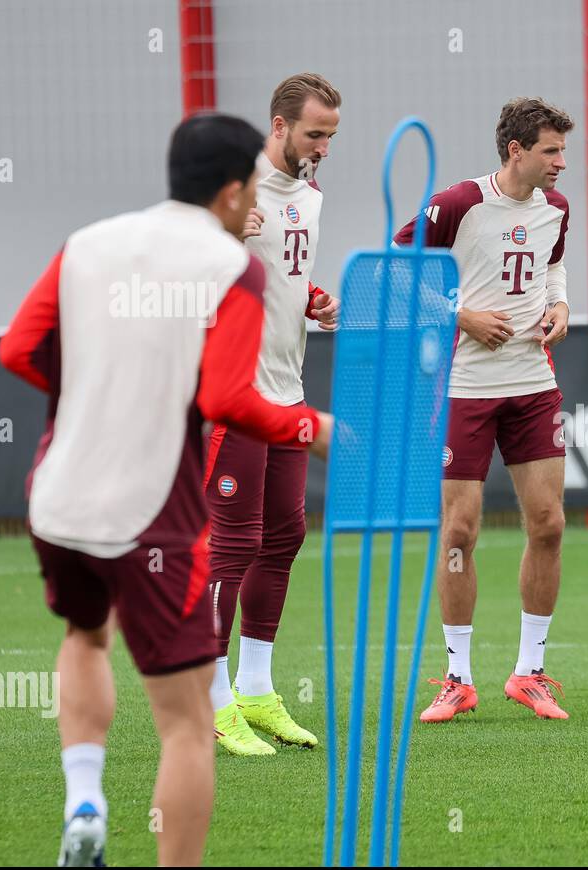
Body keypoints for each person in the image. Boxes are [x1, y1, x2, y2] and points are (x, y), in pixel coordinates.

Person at [0, 113, 332, 865]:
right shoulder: (232, 268)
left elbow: (20, 349)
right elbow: (228, 400)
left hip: (55, 505)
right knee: (186, 724)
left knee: (85, 636)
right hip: (150, 518)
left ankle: (84, 797)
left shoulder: (88, 243)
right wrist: (315, 428)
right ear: (228, 189)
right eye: (250, 179)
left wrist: (94, 393)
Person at [391, 97, 574, 722]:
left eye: (563, 150)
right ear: (515, 151)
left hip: (532, 382)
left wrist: (561, 308)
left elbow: (553, 269)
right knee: (459, 533)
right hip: (463, 387)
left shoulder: (557, 209)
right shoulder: (458, 204)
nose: (562, 163)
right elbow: (401, 268)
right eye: (551, 150)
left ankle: (529, 672)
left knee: (548, 523)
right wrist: (459, 314)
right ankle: (458, 677)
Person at [203, 73, 341, 754]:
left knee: (284, 535)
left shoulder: (310, 195)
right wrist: (222, 237)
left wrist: (312, 295)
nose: (322, 146)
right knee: (233, 542)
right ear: (279, 126)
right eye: (314, 133)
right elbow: (180, 277)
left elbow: (280, 275)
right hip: (234, 396)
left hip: (287, 390)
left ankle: (256, 690)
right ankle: (212, 697)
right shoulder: (230, 187)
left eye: (331, 136)